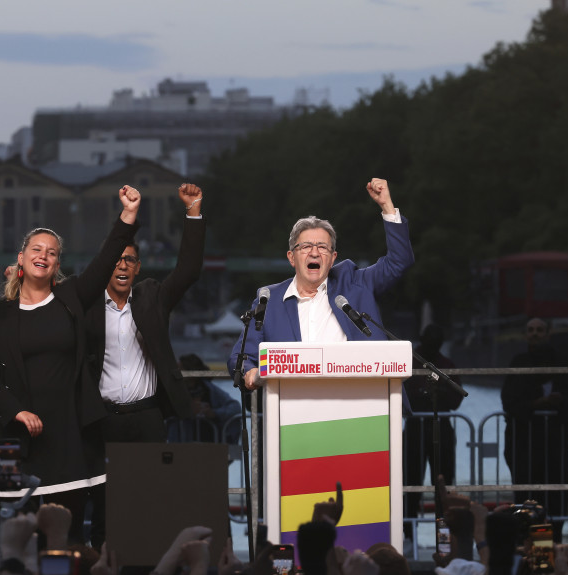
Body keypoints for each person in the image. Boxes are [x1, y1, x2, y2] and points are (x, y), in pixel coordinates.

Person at [0, 186, 141, 538]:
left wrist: (127, 216)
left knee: (64, 539)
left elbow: (106, 258)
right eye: (37, 249)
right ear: (20, 258)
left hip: (66, 439)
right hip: (14, 439)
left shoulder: (71, 297)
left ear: (57, 265)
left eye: (52, 253)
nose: (44, 255)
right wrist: (15, 410)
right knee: (13, 541)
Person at [84, 183, 206, 547]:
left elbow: (187, 270)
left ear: (137, 269)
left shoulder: (152, 297)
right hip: (101, 420)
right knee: (104, 507)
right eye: (117, 260)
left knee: (148, 503)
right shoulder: (86, 303)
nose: (122, 265)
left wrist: (194, 212)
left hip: (147, 417)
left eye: (130, 261)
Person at [228, 178, 413, 389]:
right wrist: (250, 373)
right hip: (293, 412)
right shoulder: (268, 300)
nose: (314, 252)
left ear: (333, 258)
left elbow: (399, 261)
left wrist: (387, 206)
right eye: (306, 246)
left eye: (322, 247)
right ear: (291, 257)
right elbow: (240, 358)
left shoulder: (355, 284)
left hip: (361, 404)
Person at [501, 318, 568, 524]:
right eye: (531, 330)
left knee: (555, 500)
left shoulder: (560, 362)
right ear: (525, 334)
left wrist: (559, 402)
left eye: (540, 330)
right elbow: (509, 402)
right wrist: (537, 404)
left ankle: (554, 544)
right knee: (526, 500)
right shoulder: (519, 363)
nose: (535, 334)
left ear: (548, 334)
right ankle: (525, 545)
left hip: (554, 447)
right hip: (524, 447)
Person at [403, 324, 464, 517]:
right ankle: (408, 530)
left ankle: (443, 529)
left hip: (441, 429)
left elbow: (456, 400)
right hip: (415, 429)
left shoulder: (447, 364)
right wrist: (422, 395)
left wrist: (439, 393)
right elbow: (401, 396)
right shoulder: (410, 361)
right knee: (410, 482)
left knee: (443, 483)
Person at [167, 353, 242, 447]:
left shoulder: (209, 389)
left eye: (180, 370)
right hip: (180, 446)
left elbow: (235, 407)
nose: (176, 373)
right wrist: (185, 410)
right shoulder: (174, 391)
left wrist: (213, 413)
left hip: (209, 443)